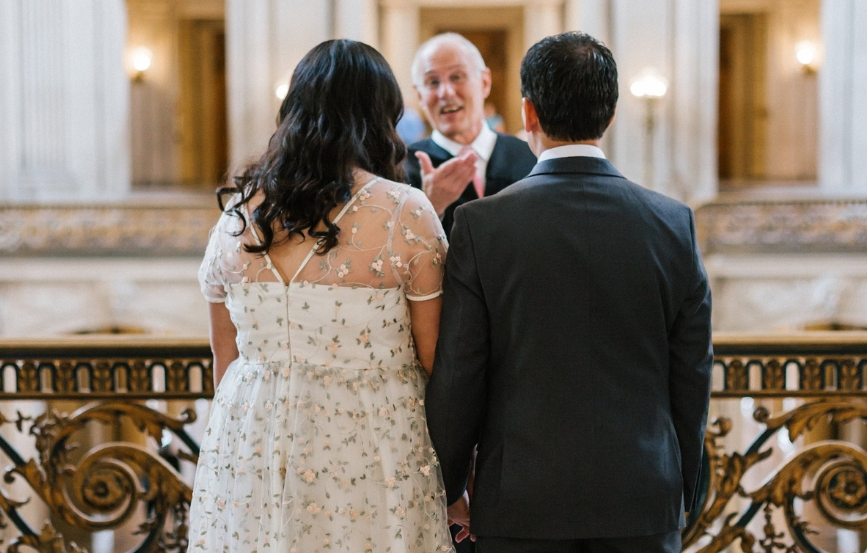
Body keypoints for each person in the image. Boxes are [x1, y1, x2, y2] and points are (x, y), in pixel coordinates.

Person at [425, 31, 713, 553]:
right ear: (613, 112)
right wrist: (683, 489)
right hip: (644, 496)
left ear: (528, 113)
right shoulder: (674, 224)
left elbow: (459, 373)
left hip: (521, 500)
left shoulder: (480, 226)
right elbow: (692, 373)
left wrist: (449, 488)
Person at [189, 39, 454, 553]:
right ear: (380, 117)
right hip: (374, 446)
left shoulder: (236, 217)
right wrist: (458, 480)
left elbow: (225, 361)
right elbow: (436, 362)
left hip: (251, 440)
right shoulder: (405, 211)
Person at [406, 33, 536, 238]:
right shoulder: (403, 168)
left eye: (457, 77)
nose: (446, 92)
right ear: (420, 96)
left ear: (485, 82)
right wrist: (430, 207)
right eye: (432, 82)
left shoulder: (530, 158)